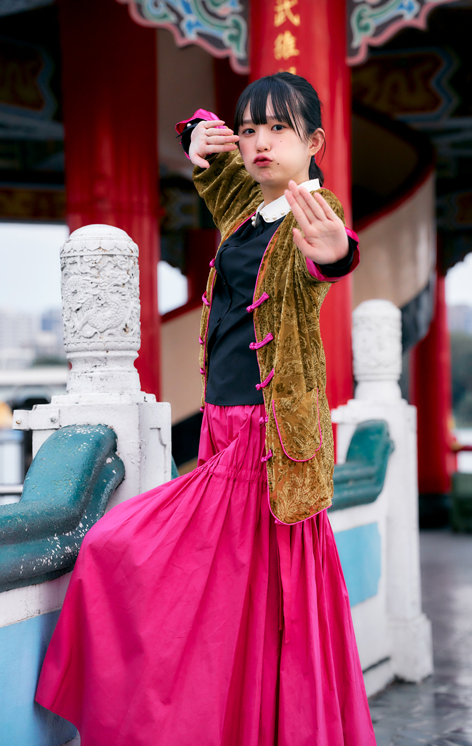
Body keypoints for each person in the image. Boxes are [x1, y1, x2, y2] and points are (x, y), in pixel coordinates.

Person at [35, 73, 377, 746]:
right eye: (249, 130)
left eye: (278, 129)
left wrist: (335, 254)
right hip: (223, 428)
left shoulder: (312, 213)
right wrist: (198, 133)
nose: (260, 142)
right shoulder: (248, 212)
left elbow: (329, 258)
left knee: (118, 547)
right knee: (238, 602)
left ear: (314, 142)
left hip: (264, 440)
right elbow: (216, 173)